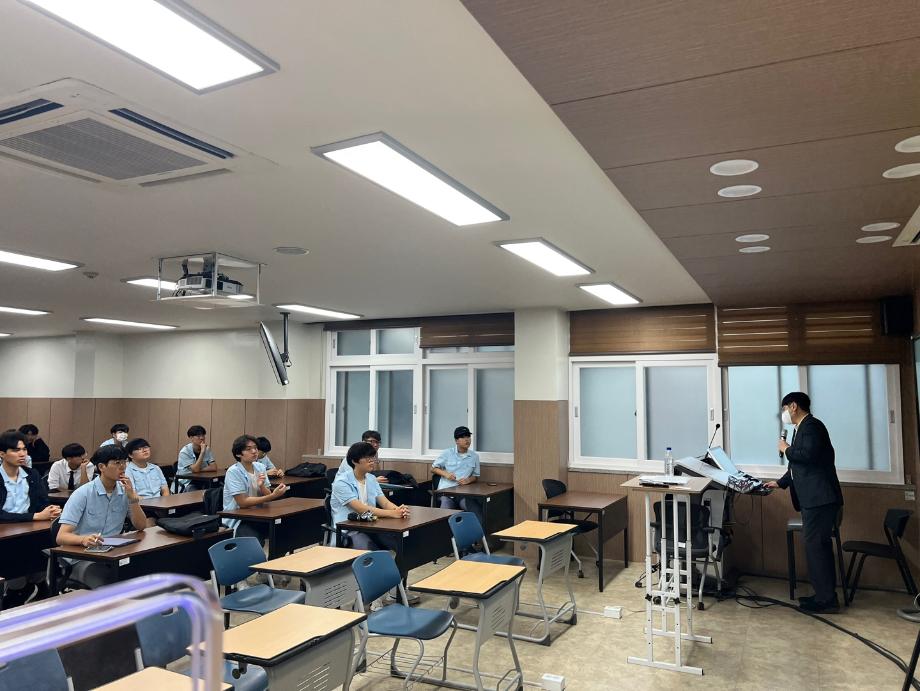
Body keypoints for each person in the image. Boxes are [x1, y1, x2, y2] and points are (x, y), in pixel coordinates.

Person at [765, 392, 843, 613]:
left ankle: (826, 600)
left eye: (784, 409)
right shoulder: (801, 429)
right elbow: (797, 467)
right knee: (816, 548)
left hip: (820, 499)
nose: (783, 414)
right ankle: (823, 595)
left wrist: (785, 449)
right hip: (814, 500)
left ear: (793, 406)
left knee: (816, 548)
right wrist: (780, 483)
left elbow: (806, 455)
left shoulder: (812, 427)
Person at [56, 445, 147, 588]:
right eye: (117, 463)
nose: (122, 467)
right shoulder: (83, 493)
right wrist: (83, 539)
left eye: (124, 462)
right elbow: (61, 536)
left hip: (112, 554)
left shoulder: (124, 491)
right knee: (109, 585)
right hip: (82, 558)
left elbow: (141, 526)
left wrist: (133, 499)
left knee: (143, 575)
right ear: (101, 467)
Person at [0, 429, 60, 605]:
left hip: (31, 530)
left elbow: (42, 502)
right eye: (16, 450)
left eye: (24, 449)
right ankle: (16, 593)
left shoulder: (31, 474)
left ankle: (39, 587)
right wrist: (35, 516)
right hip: (5, 535)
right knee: (16, 575)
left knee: (44, 545)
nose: (22, 454)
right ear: (2, 454)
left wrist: (50, 510)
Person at [331, 441, 409, 552]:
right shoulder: (341, 482)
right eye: (367, 458)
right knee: (372, 551)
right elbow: (361, 509)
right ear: (354, 461)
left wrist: (399, 510)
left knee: (401, 544)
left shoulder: (371, 479)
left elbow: (385, 503)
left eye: (373, 457)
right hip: (348, 530)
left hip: (370, 525)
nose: (372, 461)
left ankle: (400, 562)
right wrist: (392, 513)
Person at [222, 435, 289, 541]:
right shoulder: (233, 471)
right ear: (238, 454)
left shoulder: (260, 467)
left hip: (259, 514)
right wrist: (273, 495)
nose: (254, 451)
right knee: (252, 537)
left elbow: (267, 495)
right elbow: (243, 502)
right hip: (240, 517)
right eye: (248, 449)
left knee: (285, 530)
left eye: (255, 448)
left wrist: (262, 486)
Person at [432, 426, 482, 522]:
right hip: (446, 493)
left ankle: (480, 532)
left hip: (463, 494)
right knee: (444, 512)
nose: (467, 440)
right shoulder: (447, 453)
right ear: (456, 441)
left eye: (468, 436)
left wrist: (468, 480)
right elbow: (433, 468)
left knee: (476, 510)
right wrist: (446, 474)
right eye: (463, 437)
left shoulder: (474, 456)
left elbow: (476, 476)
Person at [176, 425, 216, 490]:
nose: (202, 438)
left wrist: (198, 470)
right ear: (191, 438)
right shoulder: (185, 452)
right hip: (187, 480)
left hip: (202, 478)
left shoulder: (207, 449)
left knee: (215, 486)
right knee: (193, 489)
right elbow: (195, 470)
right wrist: (202, 452)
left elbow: (213, 467)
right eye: (198, 436)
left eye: (203, 435)